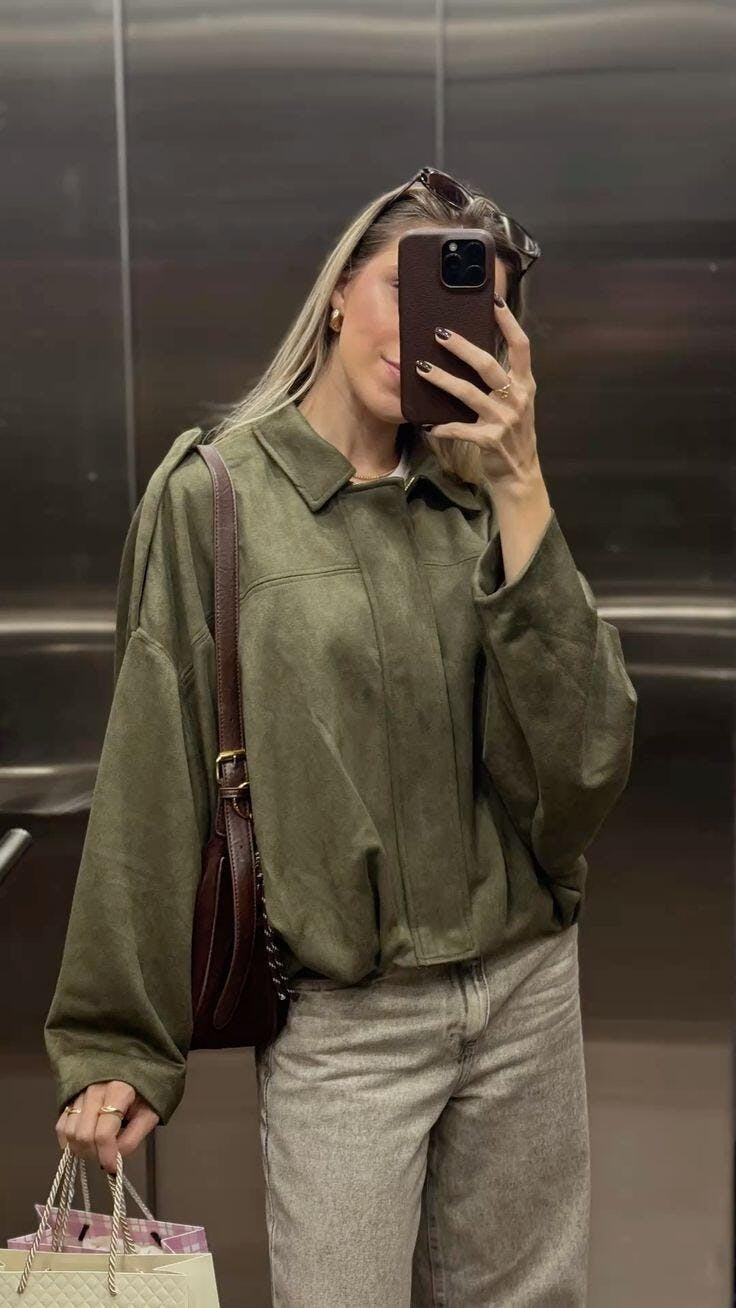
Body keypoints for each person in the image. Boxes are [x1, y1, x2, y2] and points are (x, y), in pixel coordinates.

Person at [46, 166, 638, 1306]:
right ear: (334, 296)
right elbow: (150, 774)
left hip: (525, 990)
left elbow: (584, 771)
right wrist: (117, 1038)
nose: (431, 331)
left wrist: (521, 484)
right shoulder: (215, 497)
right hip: (347, 1026)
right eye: (406, 290)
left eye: (473, 309)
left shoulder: (483, 500)